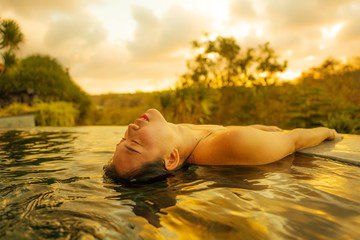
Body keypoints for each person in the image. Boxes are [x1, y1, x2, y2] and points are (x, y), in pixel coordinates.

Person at [105, 109, 342, 183]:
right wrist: (328, 132)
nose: (128, 129)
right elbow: (296, 139)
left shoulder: (180, 132)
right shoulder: (234, 144)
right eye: (134, 144)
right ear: (171, 159)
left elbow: (221, 127)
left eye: (122, 140)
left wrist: (260, 127)